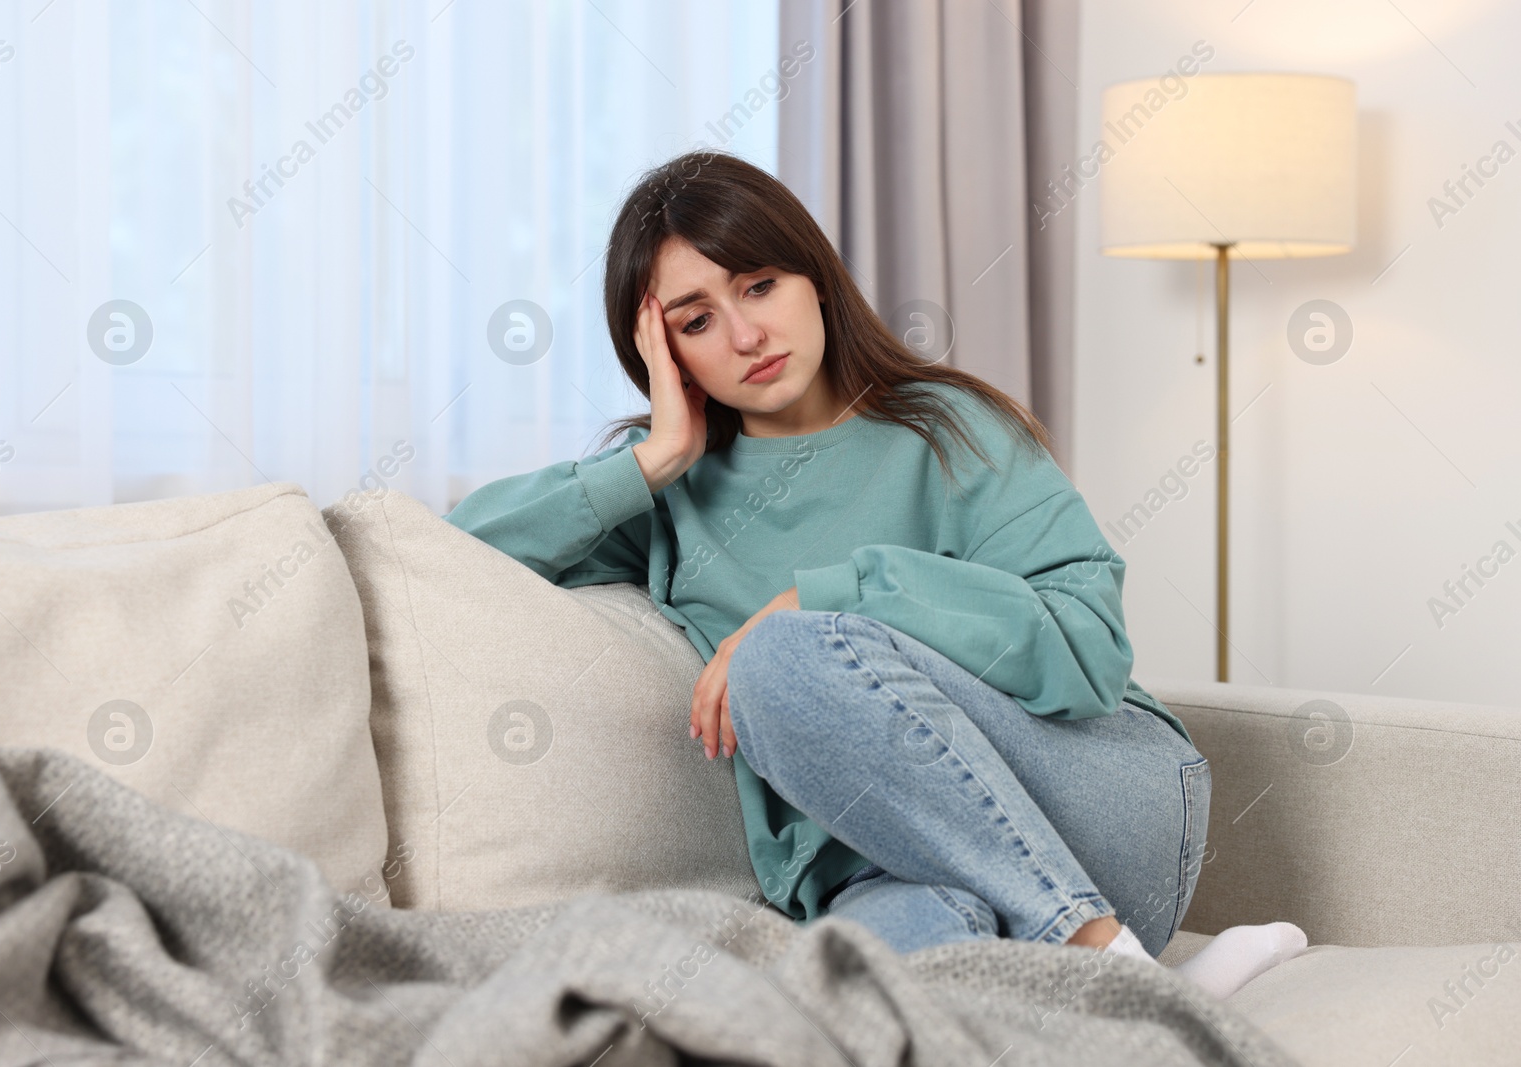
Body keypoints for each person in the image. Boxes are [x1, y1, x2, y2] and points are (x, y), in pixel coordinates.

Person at [444, 149, 1306, 1000]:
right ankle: (1138, 1001)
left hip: (1108, 814)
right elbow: (455, 554)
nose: (745, 335)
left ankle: (1100, 948)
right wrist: (656, 457)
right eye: (696, 321)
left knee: (778, 657)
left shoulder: (949, 428)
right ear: (661, 353)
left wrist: (837, 595)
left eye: (758, 285)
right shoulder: (669, 490)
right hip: (886, 868)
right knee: (857, 1003)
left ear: (814, 279)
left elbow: (1089, 651)